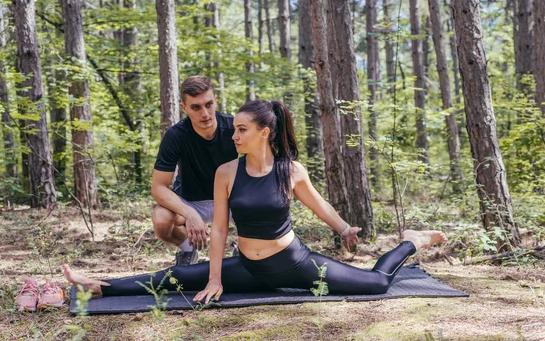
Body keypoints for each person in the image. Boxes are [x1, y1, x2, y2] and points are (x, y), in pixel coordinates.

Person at [63, 100, 447, 301]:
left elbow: (318, 204)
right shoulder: (227, 173)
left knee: (378, 283)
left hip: (295, 263)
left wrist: (344, 228)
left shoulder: (291, 170)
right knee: (177, 277)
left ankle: (413, 240)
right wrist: (215, 278)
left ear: (264, 133)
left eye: (242, 130)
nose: (234, 135)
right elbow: (217, 230)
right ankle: (98, 286)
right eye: (236, 129)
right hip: (247, 267)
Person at [151, 76, 238, 265]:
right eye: (196, 107)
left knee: (261, 208)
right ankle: (187, 251)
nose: (205, 113)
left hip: (230, 198)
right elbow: (158, 187)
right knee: (161, 220)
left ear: (216, 100)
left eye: (209, 104)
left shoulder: (234, 128)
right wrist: (189, 213)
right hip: (190, 200)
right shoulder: (176, 136)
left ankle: (245, 248)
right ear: (184, 108)